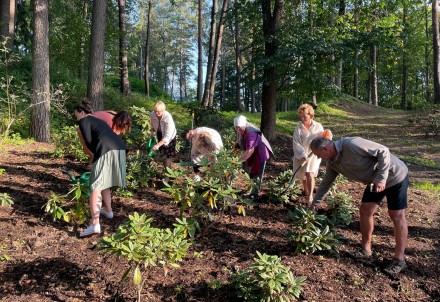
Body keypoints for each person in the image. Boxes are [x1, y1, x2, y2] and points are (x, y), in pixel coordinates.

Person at [309, 136, 409, 274]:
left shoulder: (351, 144)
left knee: (396, 215)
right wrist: (316, 203)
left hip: (394, 175)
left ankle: (399, 259)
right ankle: (366, 249)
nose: (319, 158)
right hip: (375, 181)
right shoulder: (333, 163)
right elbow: (326, 182)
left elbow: (383, 151)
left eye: (318, 155)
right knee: (365, 210)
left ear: (325, 149)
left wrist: (381, 178)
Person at [74, 103, 128, 237]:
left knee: (95, 188)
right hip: (120, 149)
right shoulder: (98, 120)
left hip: (106, 151)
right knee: (105, 184)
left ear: (81, 112)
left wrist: (95, 160)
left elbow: (90, 142)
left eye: (76, 114)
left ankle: (94, 224)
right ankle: (108, 211)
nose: (76, 117)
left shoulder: (84, 120)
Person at [75, 99, 132, 168]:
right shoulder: (108, 121)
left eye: (76, 116)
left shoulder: (113, 116)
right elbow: (103, 143)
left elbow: (98, 143)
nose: (76, 118)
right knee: (94, 155)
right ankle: (91, 172)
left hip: (98, 138)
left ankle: (91, 171)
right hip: (87, 131)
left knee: (95, 157)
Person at [292, 104, 329, 205]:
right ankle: (307, 193)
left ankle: (311, 197)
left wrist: (327, 134)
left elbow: (323, 138)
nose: (302, 118)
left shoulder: (318, 126)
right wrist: (303, 154)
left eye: (304, 116)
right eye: (301, 116)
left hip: (314, 155)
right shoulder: (298, 128)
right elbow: (296, 143)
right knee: (303, 175)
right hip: (302, 154)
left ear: (311, 116)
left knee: (310, 174)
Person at [234, 115, 274, 197]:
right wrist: (237, 144)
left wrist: (236, 161)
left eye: (239, 127)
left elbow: (249, 151)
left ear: (244, 125)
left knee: (257, 174)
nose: (238, 129)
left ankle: (254, 194)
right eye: (236, 127)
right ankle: (250, 190)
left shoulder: (251, 133)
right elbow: (240, 138)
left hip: (259, 154)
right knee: (248, 172)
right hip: (251, 153)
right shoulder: (243, 128)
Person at [149, 101, 177, 168]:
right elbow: (152, 124)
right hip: (159, 134)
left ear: (163, 110)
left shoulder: (168, 118)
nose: (156, 113)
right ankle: (167, 171)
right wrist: (152, 130)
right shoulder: (152, 114)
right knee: (162, 154)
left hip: (170, 137)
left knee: (167, 155)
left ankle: (167, 175)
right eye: (155, 111)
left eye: (158, 111)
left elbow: (167, 137)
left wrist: (157, 145)